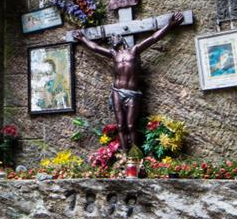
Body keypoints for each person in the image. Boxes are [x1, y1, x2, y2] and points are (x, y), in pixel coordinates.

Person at [74, 12, 184, 152]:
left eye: (113, 38)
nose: (111, 40)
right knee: (121, 126)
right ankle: (126, 155)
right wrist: (82, 38)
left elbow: (153, 38)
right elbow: (95, 48)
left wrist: (169, 25)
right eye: (110, 39)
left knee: (131, 125)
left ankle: (135, 155)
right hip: (117, 91)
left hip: (132, 93)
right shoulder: (114, 54)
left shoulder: (134, 50)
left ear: (120, 39)